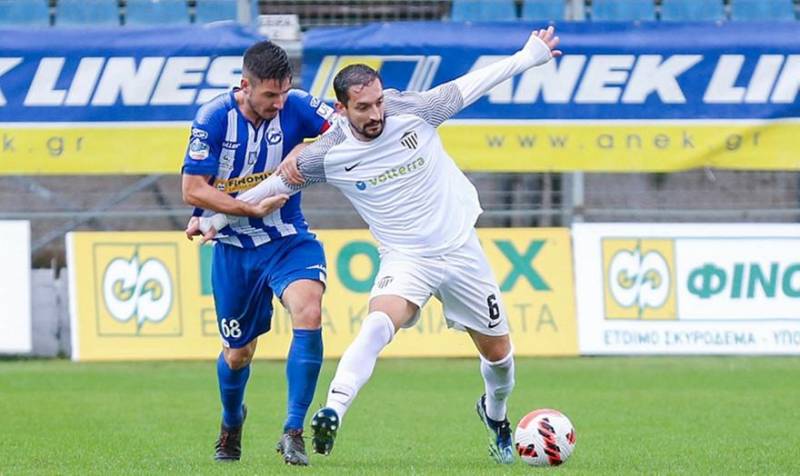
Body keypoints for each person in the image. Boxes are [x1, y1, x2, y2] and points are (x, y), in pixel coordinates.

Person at [199, 27, 562, 464]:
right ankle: (333, 410)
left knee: (500, 358)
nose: (376, 114)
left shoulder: (417, 111)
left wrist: (529, 55)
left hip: (460, 248)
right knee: (377, 325)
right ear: (341, 109)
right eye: (363, 107)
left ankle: (496, 414)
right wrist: (214, 218)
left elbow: (472, 84)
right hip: (406, 258)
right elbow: (275, 184)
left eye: (378, 102)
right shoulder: (324, 154)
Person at [181, 40, 335, 466]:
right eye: (270, 95)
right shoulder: (213, 118)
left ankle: (293, 431)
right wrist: (244, 209)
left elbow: (344, 128)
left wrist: (307, 148)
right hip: (234, 249)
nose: (278, 103)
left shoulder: (296, 105)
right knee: (238, 354)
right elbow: (192, 190)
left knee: (309, 311)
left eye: (283, 92)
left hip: (288, 239)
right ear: (245, 86)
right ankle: (232, 421)